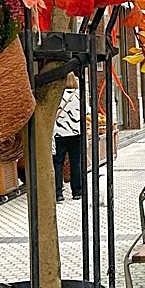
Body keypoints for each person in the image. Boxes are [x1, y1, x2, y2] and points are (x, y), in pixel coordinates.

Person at [53, 72, 82, 202]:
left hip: (59, 134)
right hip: (75, 134)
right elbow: (85, 111)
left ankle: (58, 193)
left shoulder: (56, 95)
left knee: (58, 164)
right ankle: (77, 192)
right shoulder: (79, 94)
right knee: (75, 163)